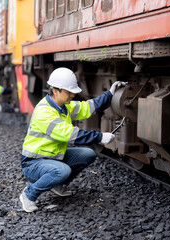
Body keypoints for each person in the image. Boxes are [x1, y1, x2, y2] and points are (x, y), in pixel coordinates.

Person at [19, 67, 127, 212]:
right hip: (33, 163)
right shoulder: (44, 112)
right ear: (55, 91)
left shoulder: (63, 106)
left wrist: (110, 93)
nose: (72, 95)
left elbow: (87, 107)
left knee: (88, 154)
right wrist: (100, 137)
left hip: (52, 157)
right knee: (61, 171)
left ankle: (56, 185)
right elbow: (70, 135)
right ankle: (28, 195)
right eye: (69, 92)